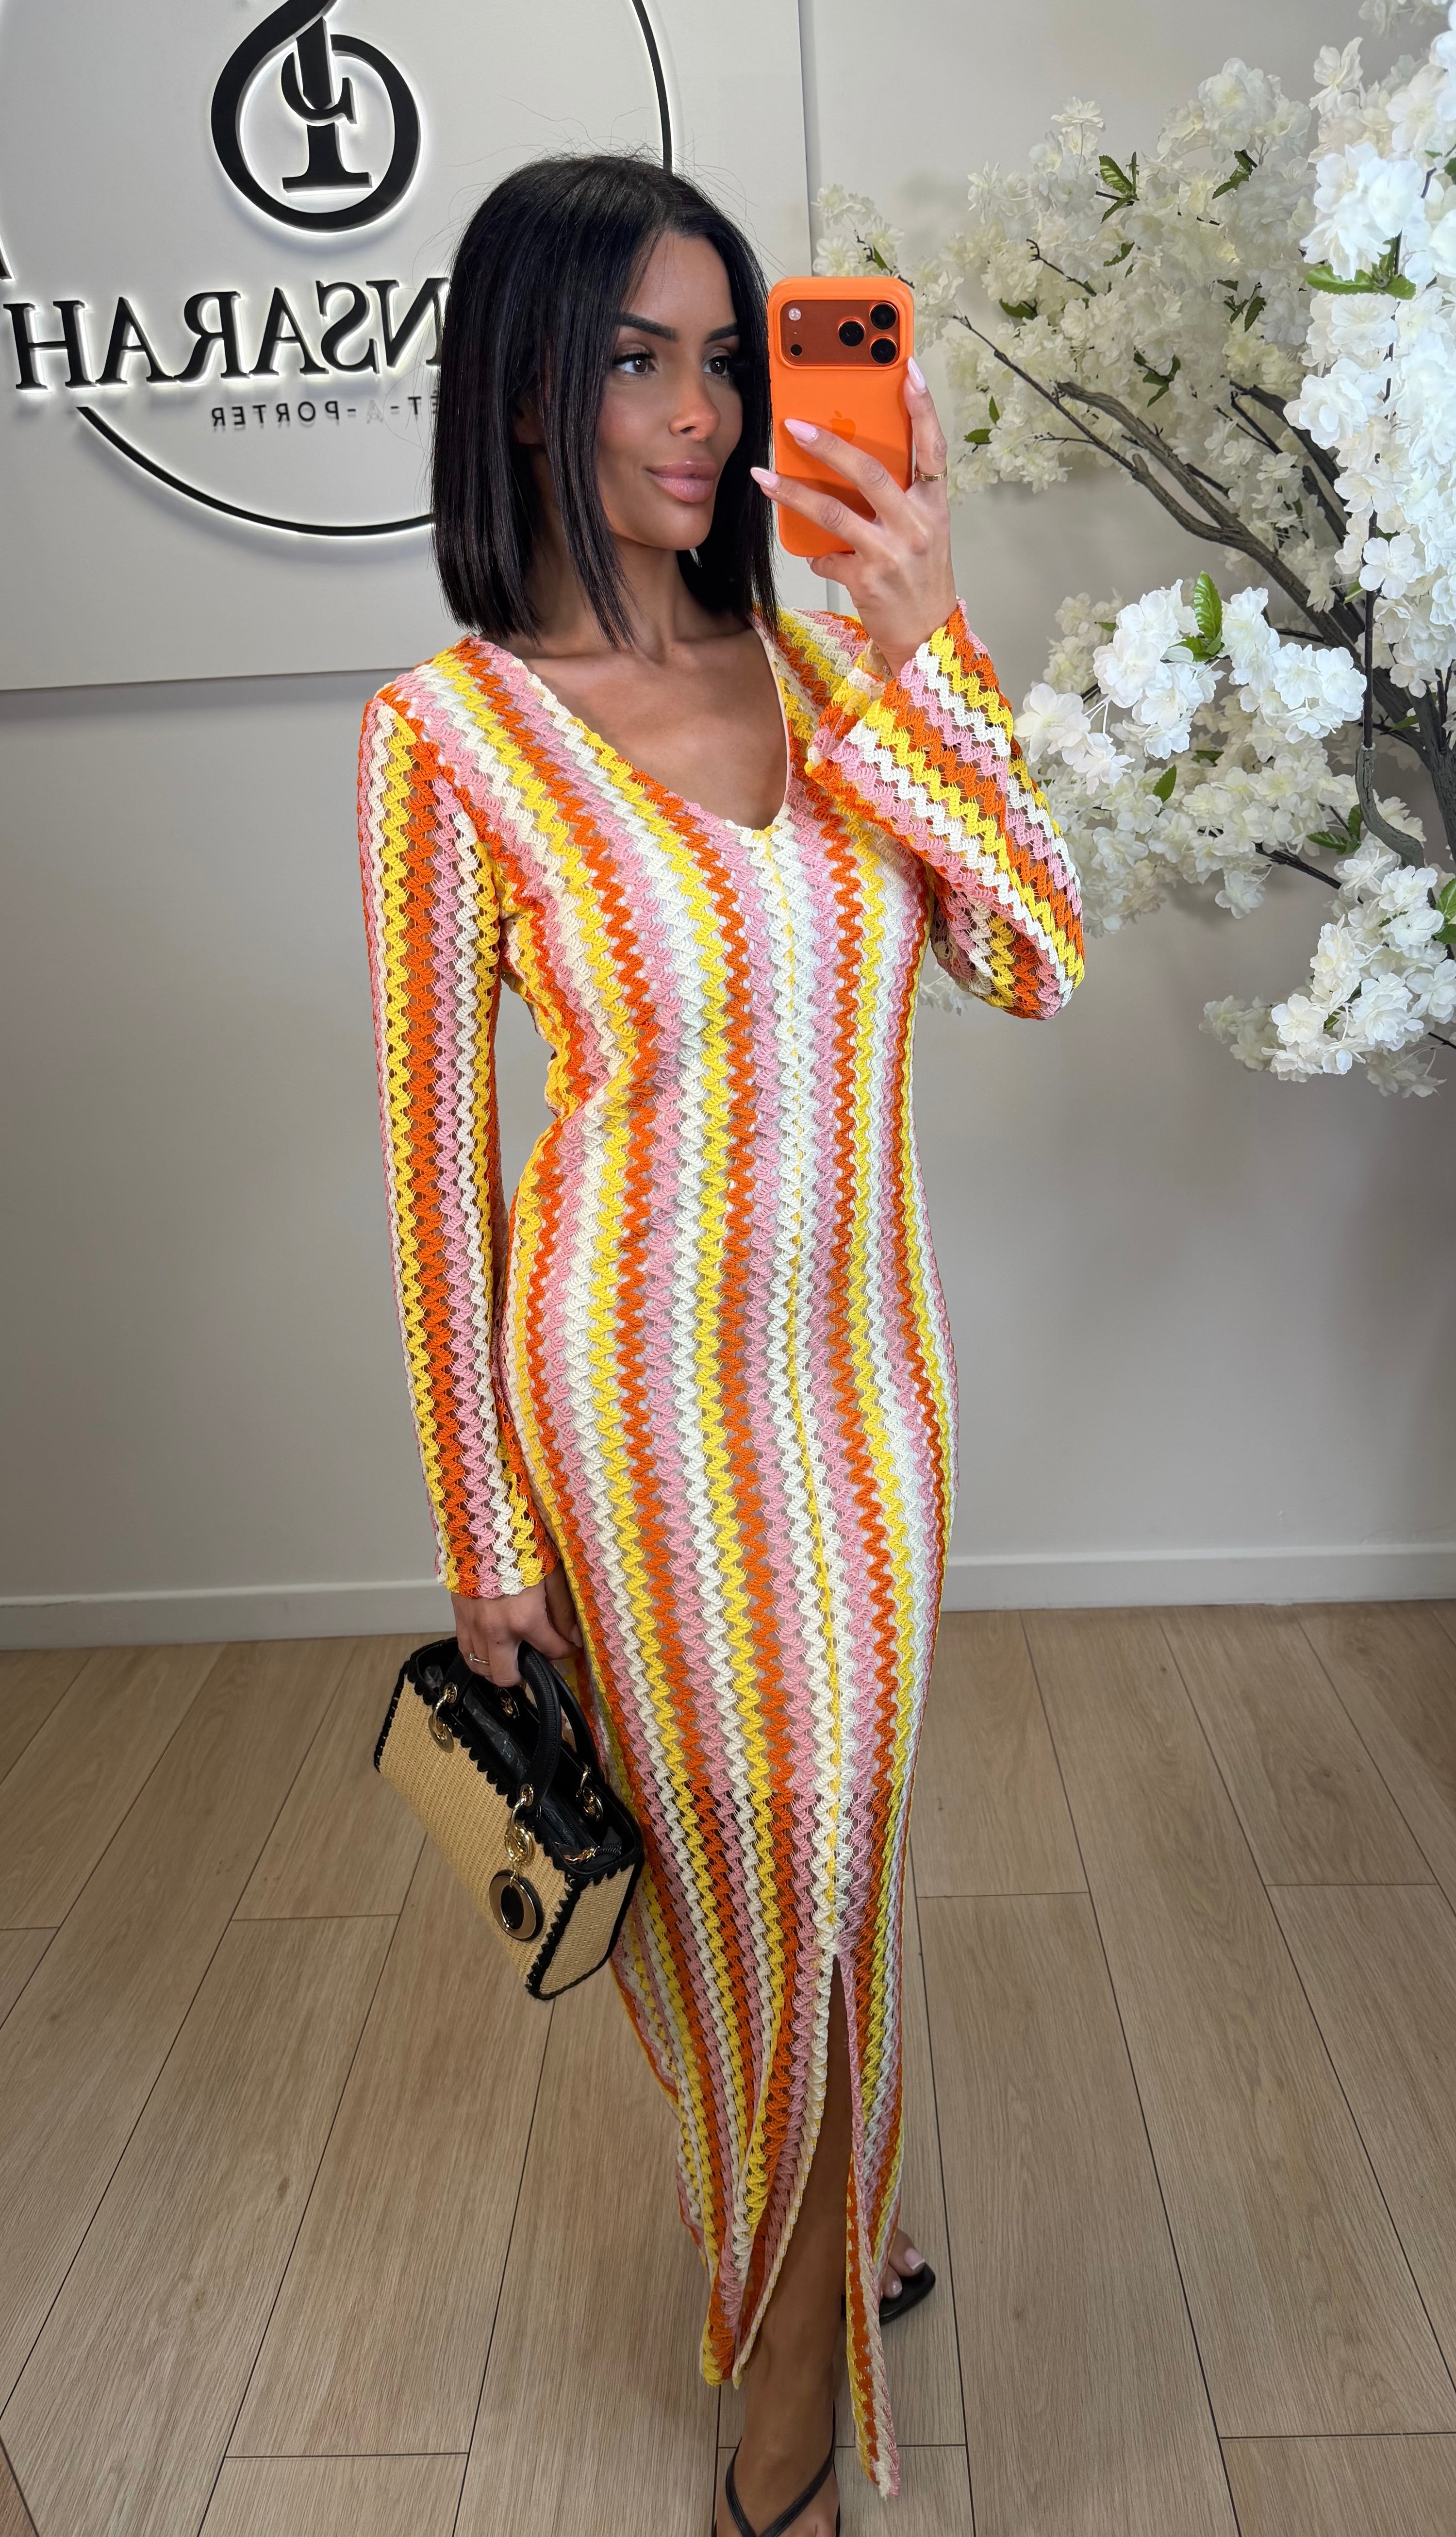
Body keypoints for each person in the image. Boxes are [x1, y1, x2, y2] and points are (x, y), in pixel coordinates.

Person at [358, 153, 1082, 2537]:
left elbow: (1036, 954)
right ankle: (785, 2392)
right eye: (634, 360)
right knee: (740, 1877)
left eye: (724, 357)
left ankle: (825, 2218)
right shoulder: (451, 736)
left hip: (873, 1407)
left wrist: (927, 633)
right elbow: (436, 1163)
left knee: (832, 1849)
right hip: (633, 1425)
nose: (698, 414)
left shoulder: (840, 674)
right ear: (526, 393)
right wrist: (482, 1524)